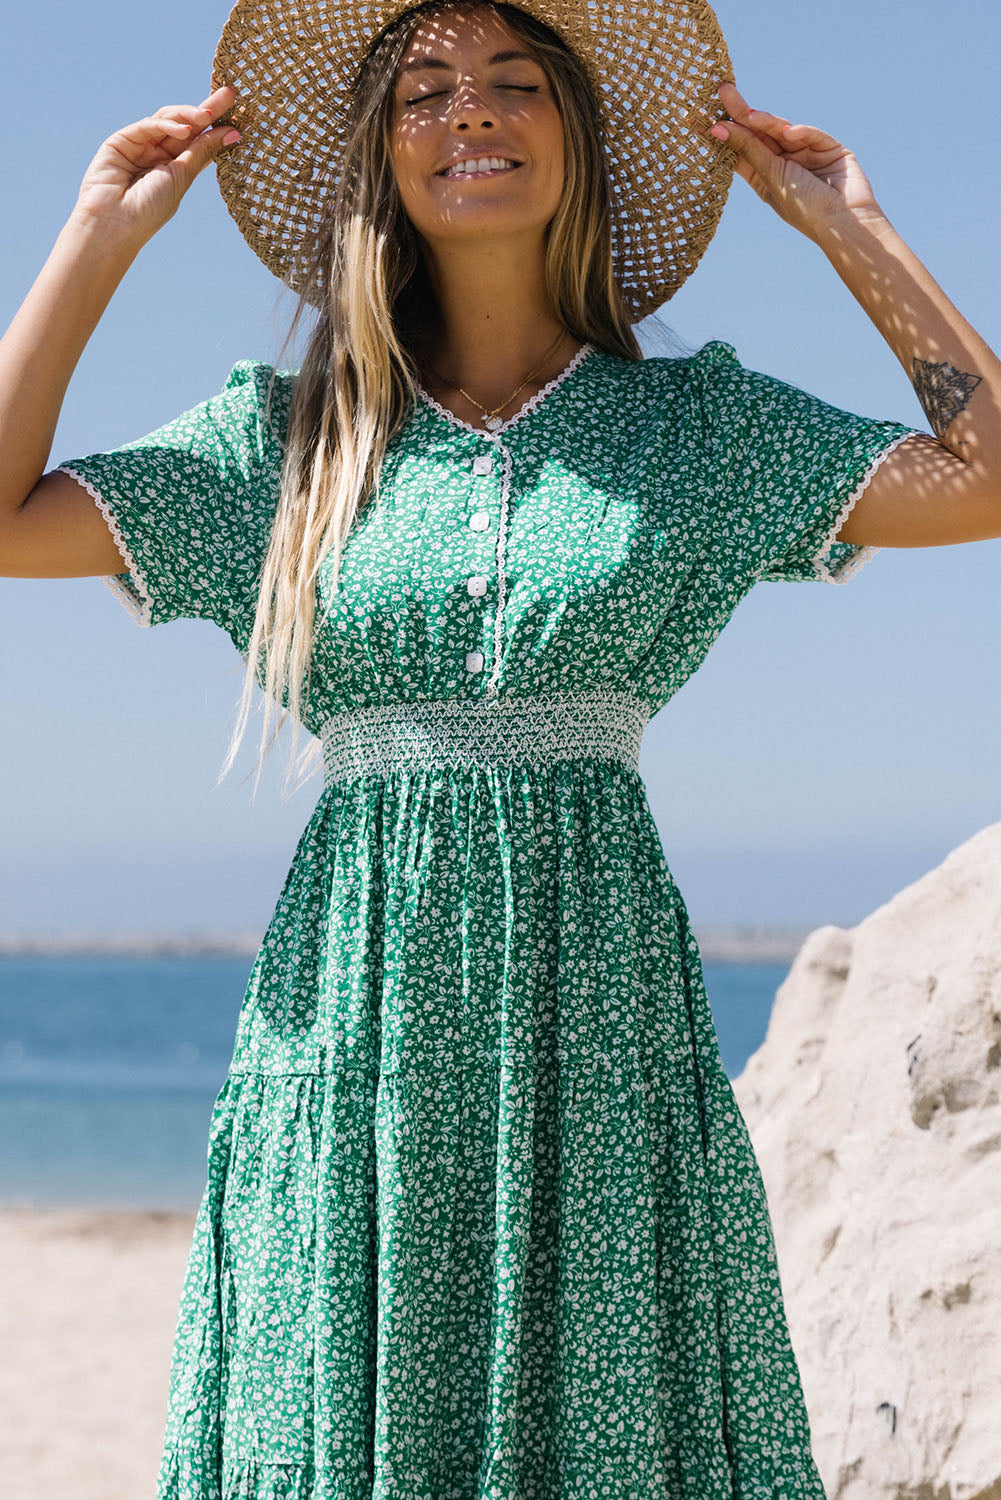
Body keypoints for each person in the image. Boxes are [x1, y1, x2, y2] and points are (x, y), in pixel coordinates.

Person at [2, 0, 1000, 1493]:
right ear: (378, 161)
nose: (467, 110)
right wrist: (98, 237)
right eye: (421, 91)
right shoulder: (280, 443)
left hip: (597, 1024)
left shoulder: (699, 431)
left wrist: (842, 224)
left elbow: (982, 478)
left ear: (577, 144)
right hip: (352, 1022)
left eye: (513, 82)